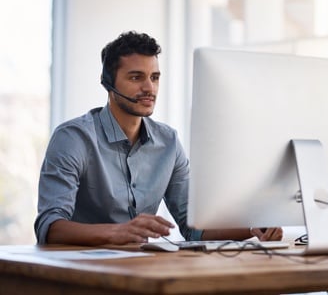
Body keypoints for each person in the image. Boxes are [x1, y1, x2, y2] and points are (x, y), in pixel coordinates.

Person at [34, 31, 282, 245]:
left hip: (139, 272)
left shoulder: (169, 143)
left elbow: (194, 228)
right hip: (81, 275)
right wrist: (117, 232)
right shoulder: (74, 138)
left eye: (154, 77)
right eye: (136, 77)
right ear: (108, 84)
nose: (149, 88)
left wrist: (251, 229)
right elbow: (50, 226)